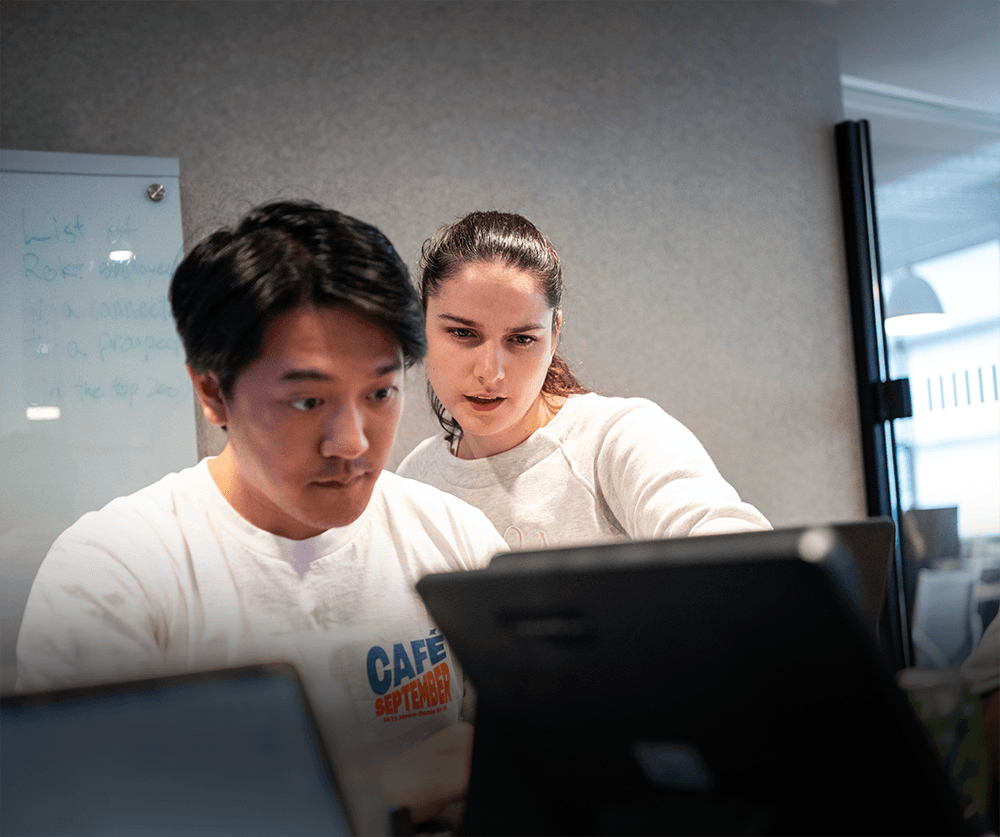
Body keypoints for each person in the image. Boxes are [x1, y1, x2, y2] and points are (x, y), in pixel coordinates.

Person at [15, 200, 508, 825]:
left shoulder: (456, 542)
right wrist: (390, 786)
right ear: (212, 392)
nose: (352, 442)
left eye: (380, 393)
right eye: (307, 401)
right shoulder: (114, 574)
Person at [396, 211, 770, 549]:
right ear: (421, 324)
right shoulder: (415, 480)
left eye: (522, 339)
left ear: (554, 334)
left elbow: (741, 555)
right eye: (463, 334)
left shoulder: (619, 438)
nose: (490, 372)